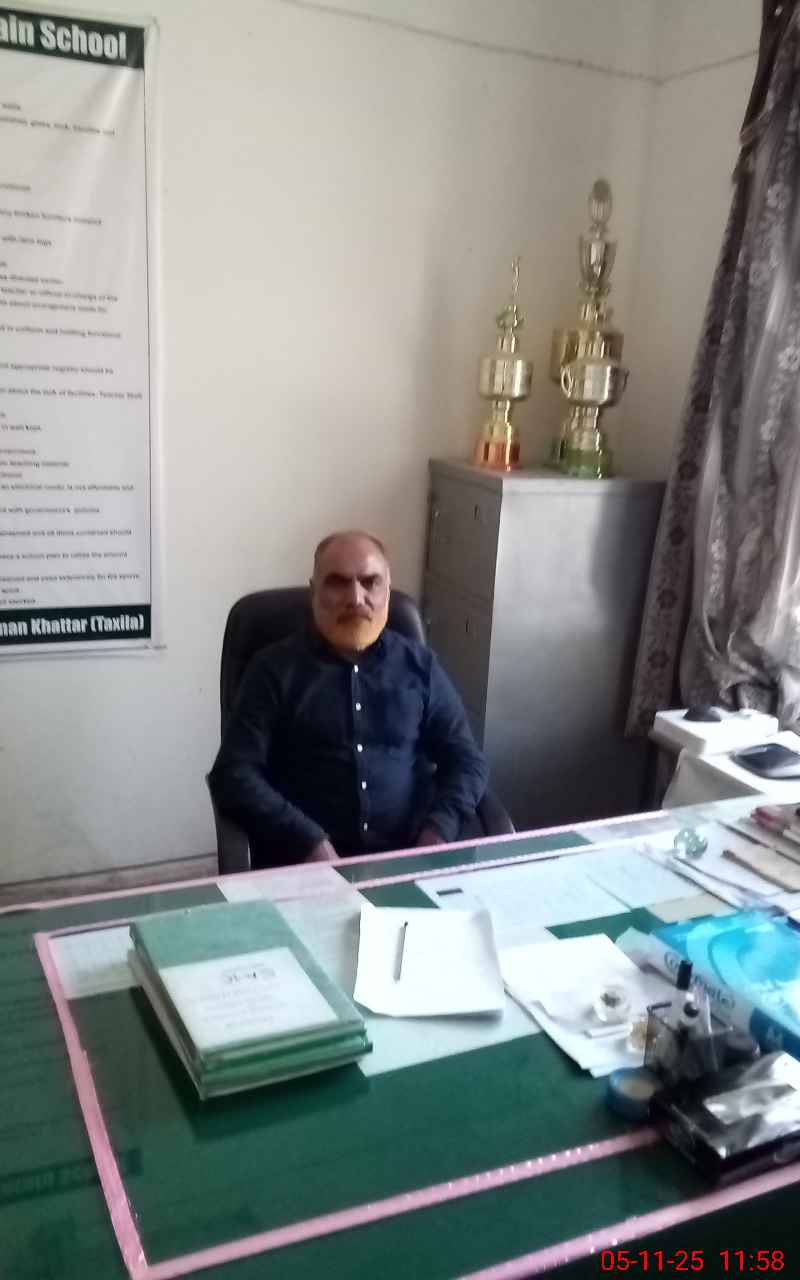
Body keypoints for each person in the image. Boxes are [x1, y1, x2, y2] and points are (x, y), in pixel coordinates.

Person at [208, 530, 489, 866]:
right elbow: (234, 773)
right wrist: (308, 842)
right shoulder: (272, 670)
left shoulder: (419, 667)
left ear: (387, 589)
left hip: (408, 856)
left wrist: (437, 833)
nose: (356, 598)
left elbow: (467, 762)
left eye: (370, 582)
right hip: (303, 862)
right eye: (337, 583)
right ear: (314, 591)